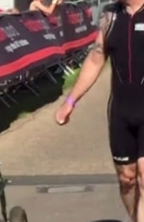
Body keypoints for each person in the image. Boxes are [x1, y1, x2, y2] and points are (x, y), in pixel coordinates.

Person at [55, 1, 144, 222]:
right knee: (127, 179)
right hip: (121, 111)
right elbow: (96, 58)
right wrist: (70, 101)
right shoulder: (110, 16)